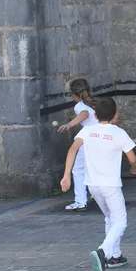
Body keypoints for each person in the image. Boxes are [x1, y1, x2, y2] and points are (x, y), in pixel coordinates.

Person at [60, 97, 136, 271]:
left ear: (95, 115)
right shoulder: (119, 133)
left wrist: (66, 176)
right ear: (116, 115)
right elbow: (132, 158)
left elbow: (72, 150)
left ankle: (115, 256)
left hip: (92, 185)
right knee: (120, 222)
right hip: (110, 185)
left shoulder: (87, 131)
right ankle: (103, 252)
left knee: (110, 218)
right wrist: (135, 167)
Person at [57, 78, 98, 212]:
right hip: (101, 139)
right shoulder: (94, 103)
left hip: (89, 140)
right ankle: (98, 194)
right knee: (95, 168)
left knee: (78, 170)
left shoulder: (80, 105)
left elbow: (84, 114)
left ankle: (80, 201)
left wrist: (69, 124)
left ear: (74, 95)